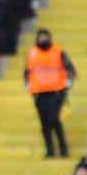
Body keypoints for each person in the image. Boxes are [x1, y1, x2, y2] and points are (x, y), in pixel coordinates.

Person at [24, 28, 76, 159]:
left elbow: (70, 69)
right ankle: (50, 151)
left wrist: (68, 83)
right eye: (41, 37)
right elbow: (27, 71)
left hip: (56, 92)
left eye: (45, 37)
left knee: (54, 119)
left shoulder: (58, 52)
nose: (43, 39)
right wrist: (27, 85)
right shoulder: (31, 53)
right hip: (39, 93)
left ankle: (63, 148)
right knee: (44, 123)